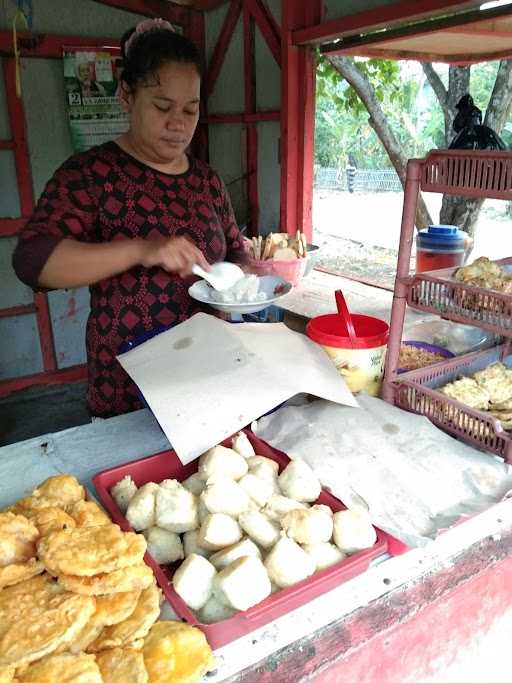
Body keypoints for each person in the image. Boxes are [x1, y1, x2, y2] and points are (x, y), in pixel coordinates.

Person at [12, 18, 247, 419]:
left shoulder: (206, 180)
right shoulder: (91, 174)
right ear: (126, 95)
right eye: (162, 107)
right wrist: (142, 249)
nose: (178, 123)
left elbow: (235, 252)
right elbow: (33, 262)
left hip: (206, 373)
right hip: (128, 385)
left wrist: (247, 276)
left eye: (191, 109)